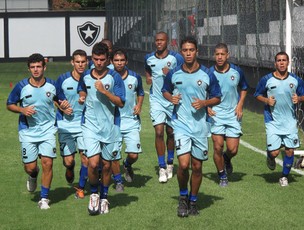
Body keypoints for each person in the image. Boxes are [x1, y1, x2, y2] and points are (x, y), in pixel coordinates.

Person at [162, 36, 221, 217]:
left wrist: (204, 103)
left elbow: (217, 97)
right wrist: (170, 98)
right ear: (181, 52)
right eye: (185, 50)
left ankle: (193, 201)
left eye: (191, 50)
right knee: (184, 164)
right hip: (180, 124)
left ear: (197, 52)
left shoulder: (207, 74)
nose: (188, 53)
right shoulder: (174, 73)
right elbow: (165, 90)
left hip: (200, 127)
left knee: (197, 166)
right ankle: (182, 197)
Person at [6, 53, 69, 209]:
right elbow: (9, 104)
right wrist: (22, 109)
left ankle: (44, 198)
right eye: (33, 67)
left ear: (44, 67)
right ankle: (33, 176)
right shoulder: (21, 86)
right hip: (28, 132)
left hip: (48, 131)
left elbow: (60, 101)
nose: (36, 70)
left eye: (38, 66)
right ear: (29, 69)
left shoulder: (53, 85)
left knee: (47, 163)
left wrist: (64, 106)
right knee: (31, 167)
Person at [78, 42, 125, 215]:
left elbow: (120, 102)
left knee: (106, 165)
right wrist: (82, 97)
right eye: (96, 59)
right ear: (92, 58)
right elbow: (82, 89)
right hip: (90, 126)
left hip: (110, 126)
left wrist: (105, 92)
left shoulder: (115, 78)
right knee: (93, 162)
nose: (98, 62)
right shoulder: (86, 76)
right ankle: (94, 194)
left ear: (108, 60)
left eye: (102, 60)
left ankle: (104, 197)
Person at [254, 51, 304, 187]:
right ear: (275, 63)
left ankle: (284, 177)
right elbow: (257, 94)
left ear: (288, 63)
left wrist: (299, 98)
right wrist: (266, 100)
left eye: (284, 60)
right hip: (272, 122)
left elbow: (303, 95)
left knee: (290, 150)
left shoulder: (296, 80)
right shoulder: (266, 80)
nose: (281, 63)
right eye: (279, 60)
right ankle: (270, 158)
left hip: (290, 122)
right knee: (275, 152)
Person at [145, 31, 184, 183]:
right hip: (157, 100)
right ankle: (161, 167)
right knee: (159, 132)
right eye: (157, 40)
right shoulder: (148, 58)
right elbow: (147, 70)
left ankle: (170, 163)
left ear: (167, 41)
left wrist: (171, 74)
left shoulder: (176, 58)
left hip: (173, 100)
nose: (159, 43)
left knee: (171, 133)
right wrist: (148, 78)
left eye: (162, 40)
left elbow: (184, 73)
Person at [208, 43, 248, 187]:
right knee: (217, 146)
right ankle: (222, 175)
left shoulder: (237, 71)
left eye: (222, 54)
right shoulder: (209, 73)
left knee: (233, 149)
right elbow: (202, 91)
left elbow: (244, 88)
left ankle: (226, 158)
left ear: (227, 55)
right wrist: (207, 107)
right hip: (216, 114)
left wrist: (240, 104)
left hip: (233, 115)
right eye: (217, 54)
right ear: (214, 55)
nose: (219, 57)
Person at [55, 49, 89, 198]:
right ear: (72, 62)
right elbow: (55, 98)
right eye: (78, 62)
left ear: (87, 62)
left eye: (83, 62)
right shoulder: (63, 79)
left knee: (86, 158)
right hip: (65, 125)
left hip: (85, 124)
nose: (80, 65)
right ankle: (70, 168)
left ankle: (81, 188)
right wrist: (60, 106)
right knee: (69, 162)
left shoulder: (91, 78)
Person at [111, 48, 145, 185]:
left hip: (131, 121)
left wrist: (139, 105)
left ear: (126, 61)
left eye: (122, 60)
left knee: (133, 154)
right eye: (116, 60)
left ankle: (127, 165)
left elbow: (141, 92)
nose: (119, 63)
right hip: (114, 122)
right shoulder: (108, 77)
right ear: (112, 61)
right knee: (113, 155)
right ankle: (118, 181)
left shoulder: (134, 77)